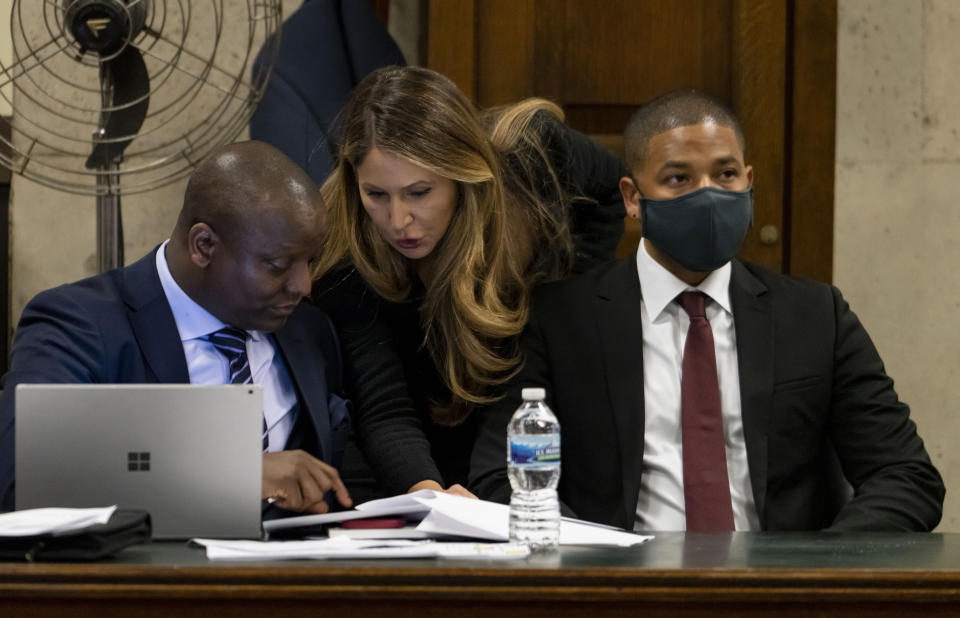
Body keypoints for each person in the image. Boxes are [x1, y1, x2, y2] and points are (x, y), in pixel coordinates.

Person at [469, 90, 945, 532]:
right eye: (679, 178)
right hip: (621, 591)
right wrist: (590, 564)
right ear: (633, 198)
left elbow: (904, 475)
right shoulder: (560, 320)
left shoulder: (816, 316)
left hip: (779, 594)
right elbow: (499, 478)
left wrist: (818, 571)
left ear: (749, 181)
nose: (708, 194)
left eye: (725, 175)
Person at [312, 66, 626, 497]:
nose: (398, 221)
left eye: (420, 192)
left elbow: (612, 189)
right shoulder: (343, 256)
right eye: (377, 195)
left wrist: (561, 302)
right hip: (420, 444)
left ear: (462, 175)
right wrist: (429, 495)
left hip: (520, 408)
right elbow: (385, 406)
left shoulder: (534, 153)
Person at [0, 140, 353, 516]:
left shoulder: (308, 330)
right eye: (278, 265)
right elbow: (20, 474)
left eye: (309, 261)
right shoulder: (80, 323)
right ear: (203, 245)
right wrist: (234, 471)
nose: (303, 286)